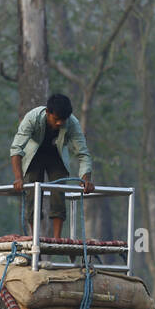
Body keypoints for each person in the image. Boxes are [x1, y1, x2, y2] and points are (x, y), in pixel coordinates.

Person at [10, 93, 94, 239]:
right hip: (34, 155)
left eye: (63, 120)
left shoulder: (72, 123)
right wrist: (18, 178)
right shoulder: (32, 118)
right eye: (56, 119)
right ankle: (35, 236)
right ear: (48, 112)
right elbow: (16, 149)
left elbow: (83, 153)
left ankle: (57, 238)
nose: (60, 123)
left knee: (59, 190)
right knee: (33, 191)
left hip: (57, 155)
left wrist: (85, 179)